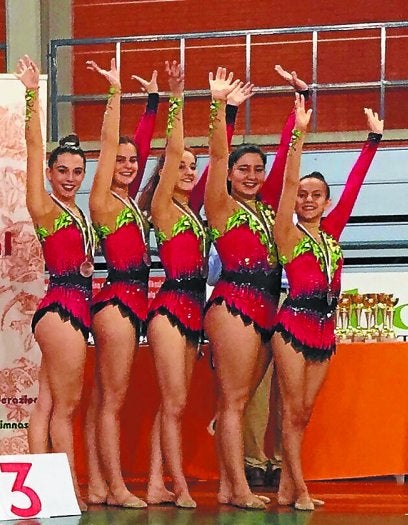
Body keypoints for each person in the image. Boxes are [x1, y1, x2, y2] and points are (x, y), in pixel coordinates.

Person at [203, 65, 308, 509]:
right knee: (234, 400)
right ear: (229, 174)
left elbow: (287, 166)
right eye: (242, 169)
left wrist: (299, 110)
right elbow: (217, 156)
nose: (250, 175)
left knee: (241, 402)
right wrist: (222, 111)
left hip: (267, 305)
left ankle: (228, 486)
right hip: (234, 304)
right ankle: (239, 488)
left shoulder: (267, 209)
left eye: (257, 170)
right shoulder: (221, 205)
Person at [272, 94, 383, 510]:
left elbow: (353, 187)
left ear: (326, 201)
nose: (307, 199)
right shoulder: (287, 232)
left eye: (316, 194)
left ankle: (287, 487)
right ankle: (299, 488)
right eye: (302, 194)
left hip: (324, 328)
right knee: (292, 409)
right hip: (292, 326)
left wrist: (372, 141)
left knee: (304, 413)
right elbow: (287, 183)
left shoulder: (332, 232)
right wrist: (298, 136)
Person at [16, 55, 95, 511]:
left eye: (76, 172)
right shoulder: (44, 207)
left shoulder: (78, 210)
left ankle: (46, 491)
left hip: (68, 309)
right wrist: (31, 96)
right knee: (66, 408)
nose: (69, 178)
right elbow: (32, 147)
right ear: (49, 173)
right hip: (62, 308)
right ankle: (68, 492)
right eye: (61, 170)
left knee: (46, 405)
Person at [83, 62, 159, 506]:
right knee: (112, 399)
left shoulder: (129, 201)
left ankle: (98, 482)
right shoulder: (103, 201)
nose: (128, 166)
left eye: (134, 161)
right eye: (120, 160)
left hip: (131, 301)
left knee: (103, 399)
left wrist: (152, 105)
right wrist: (114, 95)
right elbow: (111, 142)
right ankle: (116, 487)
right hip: (117, 301)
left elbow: (138, 146)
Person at [142, 61, 207, 508]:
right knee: (176, 401)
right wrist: (176, 98)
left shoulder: (193, 210)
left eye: (192, 166)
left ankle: (154, 482)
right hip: (169, 309)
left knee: (172, 403)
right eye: (180, 164)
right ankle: (179, 483)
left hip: (194, 310)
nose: (187, 169)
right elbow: (174, 147)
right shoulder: (163, 207)